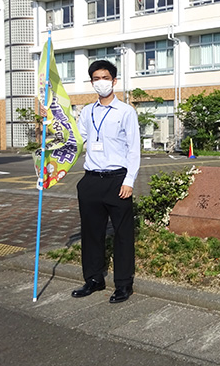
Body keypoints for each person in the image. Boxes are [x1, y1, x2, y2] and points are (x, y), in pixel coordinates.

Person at [70, 60, 141, 304]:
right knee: (91, 234)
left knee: (122, 235)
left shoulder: (126, 112)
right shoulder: (88, 111)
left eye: (105, 77)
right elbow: (78, 141)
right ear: (91, 82)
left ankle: (123, 284)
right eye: (96, 78)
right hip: (91, 181)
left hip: (117, 180)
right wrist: (58, 134)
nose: (101, 82)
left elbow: (133, 150)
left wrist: (129, 180)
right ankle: (93, 279)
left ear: (114, 81)